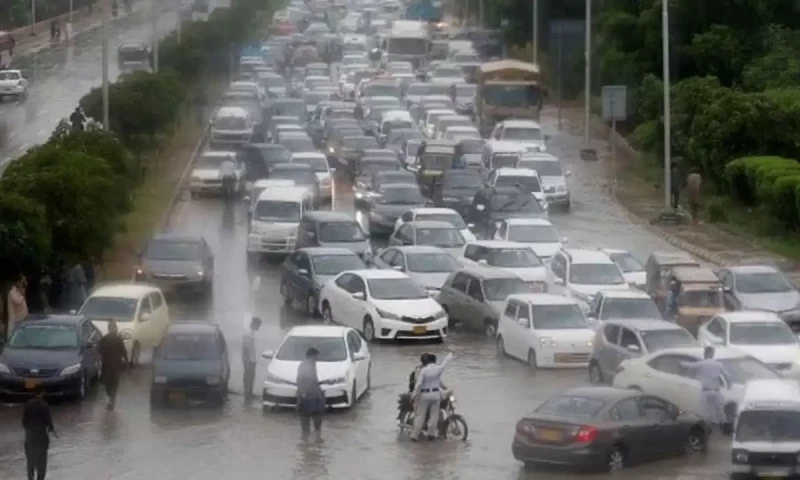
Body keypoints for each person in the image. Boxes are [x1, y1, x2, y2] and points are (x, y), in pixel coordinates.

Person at [681, 346, 730, 433]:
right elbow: (727, 375)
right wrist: (729, 385)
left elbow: (690, 365)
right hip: (716, 391)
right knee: (720, 410)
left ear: (706, 353)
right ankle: (726, 428)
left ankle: (708, 429)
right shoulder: (718, 364)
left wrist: (680, 363)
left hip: (706, 391)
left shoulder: (702, 364)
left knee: (706, 411)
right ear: (712, 354)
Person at [411, 351, 453, 441]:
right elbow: (445, 364)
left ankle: (415, 436)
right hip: (436, 395)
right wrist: (449, 356)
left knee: (420, 416)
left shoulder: (424, 370)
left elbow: (418, 384)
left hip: (425, 395)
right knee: (434, 416)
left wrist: (414, 395)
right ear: (435, 360)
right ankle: (431, 435)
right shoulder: (438, 369)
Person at [22, 384, 58, 480]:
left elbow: (24, 422)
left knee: (30, 463)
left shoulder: (28, 404)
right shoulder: (45, 406)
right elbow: (49, 423)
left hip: (30, 439)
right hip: (42, 439)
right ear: (42, 393)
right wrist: (53, 430)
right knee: (41, 465)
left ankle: (30, 477)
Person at [98, 319, 128, 409]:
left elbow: (99, 353)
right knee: (112, 384)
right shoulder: (107, 339)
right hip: (111, 366)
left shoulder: (110, 339)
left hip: (110, 366)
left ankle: (111, 399)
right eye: (112, 327)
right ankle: (111, 398)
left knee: (110, 384)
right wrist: (125, 362)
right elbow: (124, 353)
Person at [296, 347, 325, 435]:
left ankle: (310, 443)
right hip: (308, 398)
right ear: (311, 356)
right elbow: (300, 380)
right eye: (315, 358)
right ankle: (311, 442)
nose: (316, 360)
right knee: (308, 425)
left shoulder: (310, 365)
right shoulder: (304, 366)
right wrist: (303, 392)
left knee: (315, 425)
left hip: (313, 397)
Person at [241, 316, 262, 401]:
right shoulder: (248, 334)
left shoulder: (251, 332)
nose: (259, 328)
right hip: (249, 360)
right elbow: (245, 348)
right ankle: (247, 394)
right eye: (259, 325)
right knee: (249, 377)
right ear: (255, 324)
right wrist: (248, 361)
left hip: (250, 359)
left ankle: (249, 393)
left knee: (250, 377)